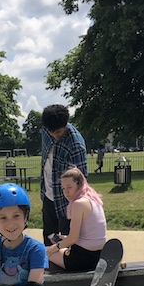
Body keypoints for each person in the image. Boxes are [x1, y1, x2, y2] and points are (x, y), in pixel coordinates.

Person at [40, 104, 88, 245]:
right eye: (51, 132)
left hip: (66, 202)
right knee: (48, 241)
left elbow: (82, 180)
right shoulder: (46, 130)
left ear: (66, 124)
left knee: (65, 244)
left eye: (59, 131)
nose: (55, 135)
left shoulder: (75, 144)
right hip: (48, 195)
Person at [46, 168, 107, 272]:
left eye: (69, 187)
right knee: (59, 249)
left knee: (42, 252)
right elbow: (89, 235)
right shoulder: (93, 199)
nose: (66, 192)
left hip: (83, 258)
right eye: (63, 188)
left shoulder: (78, 204)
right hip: (99, 255)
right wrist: (65, 239)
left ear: (80, 185)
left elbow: (73, 238)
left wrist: (56, 246)